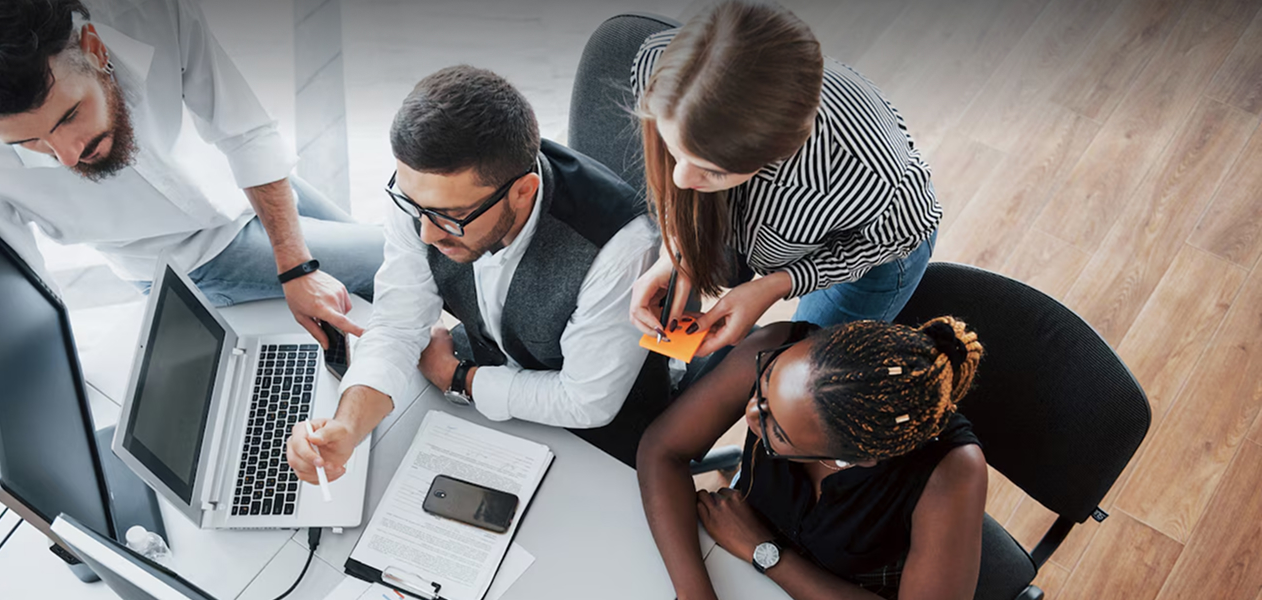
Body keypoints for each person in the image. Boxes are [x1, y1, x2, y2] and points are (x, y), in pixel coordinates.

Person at [0, 0, 382, 343]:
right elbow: (21, 290)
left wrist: (295, 266)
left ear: (93, 48)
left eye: (69, 116)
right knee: (409, 256)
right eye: (27, 142)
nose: (66, 156)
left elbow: (245, 131)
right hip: (192, 260)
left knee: (402, 266)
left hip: (246, 185)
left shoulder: (149, 12)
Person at [287, 65, 668, 481]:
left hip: (598, 435)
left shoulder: (621, 248)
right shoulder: (424, 198)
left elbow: (588, 401)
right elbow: (397, 325)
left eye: (452, 218)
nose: (427, 233)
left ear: (524, 192)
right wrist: (347, 427)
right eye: (416, 207)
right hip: (487, 387)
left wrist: (459, 378)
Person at [628, 0, 942, 358]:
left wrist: (779, 284)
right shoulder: (658, 67)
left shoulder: (870, 171)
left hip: (872, 250)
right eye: (674, 150)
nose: (679, 179)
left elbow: (907, 229)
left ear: (782, 152)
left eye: (713, 169)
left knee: (802, 364)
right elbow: (683, 185)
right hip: (776, 231)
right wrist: (675, 252)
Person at [637, 318, 987, 600]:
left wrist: (766, 552)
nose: (751, 415)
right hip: (730, 559)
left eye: (779, 435)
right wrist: (694, 593)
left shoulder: (951, 472)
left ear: (858, 459)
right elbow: (663, 449)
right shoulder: (777, 346)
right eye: (767, 382)